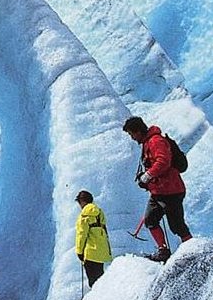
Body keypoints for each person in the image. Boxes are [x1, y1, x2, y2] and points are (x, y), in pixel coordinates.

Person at [123, 116, 192, 262]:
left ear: (138, 131)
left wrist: (147, 175)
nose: (132, 138)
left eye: (131, 134)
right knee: (150, 219)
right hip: (159, 192)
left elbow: (163, 161)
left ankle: (192, 249)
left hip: (171, 190)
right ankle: (163, 250)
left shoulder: (156, 141)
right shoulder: (148, 142)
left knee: (177, 224)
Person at [74, 190, 112, 286]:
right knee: (100, 279)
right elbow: (104, 230)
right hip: (101, 251)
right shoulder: (99, 212)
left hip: (90, 253)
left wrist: (79, 252)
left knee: (93, 282)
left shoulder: (84, 215)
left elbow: (81, 234)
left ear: (82, 201)